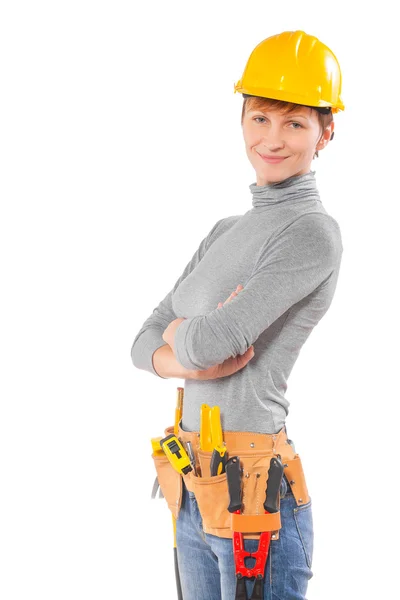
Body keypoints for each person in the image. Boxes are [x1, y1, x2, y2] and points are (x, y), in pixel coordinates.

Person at [131, 29, 345, 600]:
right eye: (259, 119)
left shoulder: (312, 233)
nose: (272, 139)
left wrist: (183, 339)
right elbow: (141, 341)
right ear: (242, 121)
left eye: (295, 123)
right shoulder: (225, 231)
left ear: (326, 131)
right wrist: (191, 356)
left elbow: (204, 339)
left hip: (256, 498)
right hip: (192, 484)